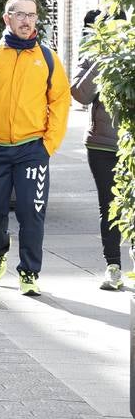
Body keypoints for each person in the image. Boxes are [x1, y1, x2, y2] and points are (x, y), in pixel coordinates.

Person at [0, 0, 70, 297]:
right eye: (20, 14)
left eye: (32, 15)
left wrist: (48, 144)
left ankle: (29, 272)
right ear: (6, 18)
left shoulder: (47, 58)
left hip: (31, 149)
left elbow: (60, 101)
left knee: (31, 211)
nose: (26, 21)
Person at [70, 39, 125, 291]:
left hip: (129, 144)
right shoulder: (95, 49)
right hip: (102, 144)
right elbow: (80, 94)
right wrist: (103, 61)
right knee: (110, 205)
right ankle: (113, 266)